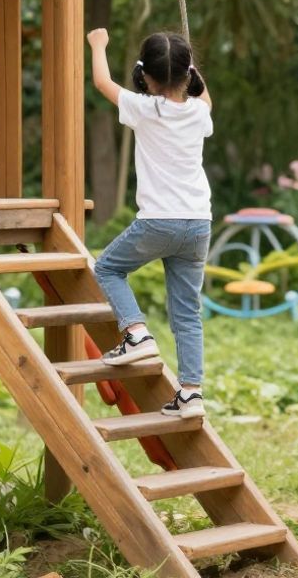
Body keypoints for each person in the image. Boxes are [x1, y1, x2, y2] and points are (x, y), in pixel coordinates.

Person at [88, 28, 214, 419]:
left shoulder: (145, 108)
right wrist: (191, 69)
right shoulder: (199, 112)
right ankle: (191, 393)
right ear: (188, 74)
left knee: (107, 267)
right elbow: (205, 95)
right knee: (187, 313)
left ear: (145, 76)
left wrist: (98, 46)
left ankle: (137, 333)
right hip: (198, 224)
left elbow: (101, 82)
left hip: (160, 221)